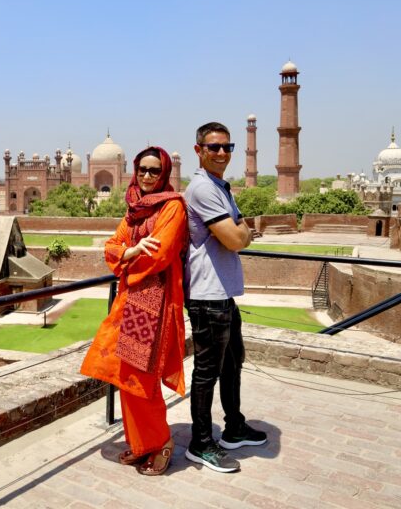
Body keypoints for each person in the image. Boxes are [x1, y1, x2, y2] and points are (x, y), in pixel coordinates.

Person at [81, 146, 187, 476]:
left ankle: (162, 443)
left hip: (154, 305)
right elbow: (111, 247)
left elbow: (160, 254)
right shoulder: (134, 210)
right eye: (142, 169)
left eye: (154, 171)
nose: (147, 175)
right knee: (127, 376)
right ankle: (142, 444)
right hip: (129, 303)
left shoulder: (172, 207)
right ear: (133, 170)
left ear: (165, 173)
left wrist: (128, 256)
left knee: (142, 378)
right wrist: (130, 251)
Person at [183, 122, 267, 473]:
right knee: (207, 372)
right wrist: (242, 232)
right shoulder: (202, 188)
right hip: (206, 295)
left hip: (224, 294)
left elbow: (241, 229)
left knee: (233, 364)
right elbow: (236, 238)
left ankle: (234, 427)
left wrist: (240, 231)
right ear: (198, 150)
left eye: (227, 147)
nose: (221, 153)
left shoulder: (222, 187)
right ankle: (201, 443)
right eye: (214, 147)